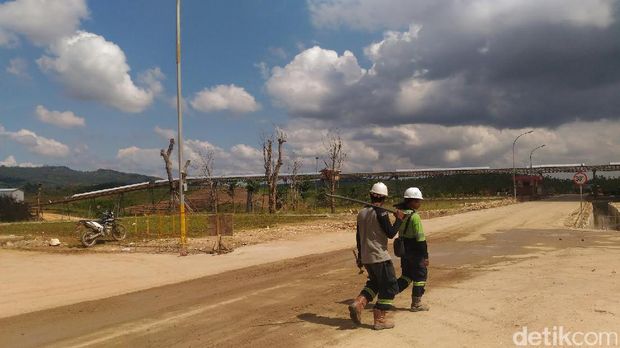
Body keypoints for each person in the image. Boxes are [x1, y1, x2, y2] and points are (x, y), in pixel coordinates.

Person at [349, 182, 399, 330]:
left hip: (366, 257)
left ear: (371, 195)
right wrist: (399, 219)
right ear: (384, 197)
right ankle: (380, 319)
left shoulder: (362, 212)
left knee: (375, 284)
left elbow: (358, 237)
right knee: (390, 286)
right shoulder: (381, 211)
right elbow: (391, 233)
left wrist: (360, 256)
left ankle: (359, 303)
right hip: (379, 256)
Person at [394, 187, 430, 311]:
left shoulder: (401, 215)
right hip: (415, 251)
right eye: (418, 201)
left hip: (405, 250)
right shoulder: (415, 217)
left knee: (406, 276)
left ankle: (388, 292)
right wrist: (425, 256)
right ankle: (416, 304)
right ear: (412, 202)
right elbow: (421, 239)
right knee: (420, 277)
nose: (420, 203)